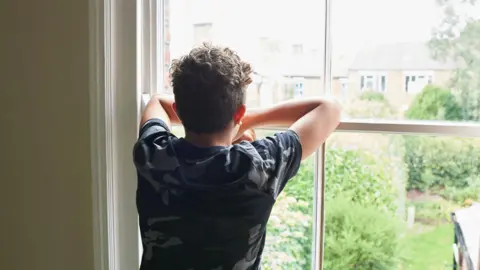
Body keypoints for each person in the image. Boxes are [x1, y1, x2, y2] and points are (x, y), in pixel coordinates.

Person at [133, 44, 341, 270]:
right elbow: (330, 108)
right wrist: (243, 120)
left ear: (179, 111)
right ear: (239, 112)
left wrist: (229, 117)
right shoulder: (258, 165)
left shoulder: (153, 154)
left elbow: (157, 103)